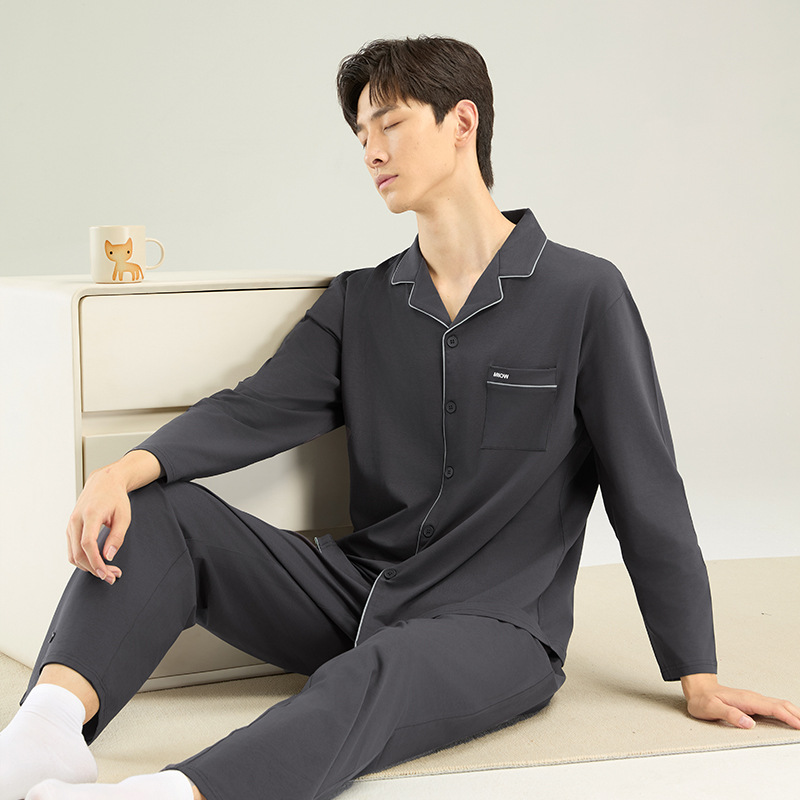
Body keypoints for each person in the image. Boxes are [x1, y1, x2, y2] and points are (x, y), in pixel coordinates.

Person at [1, 34, 798, 800]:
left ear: (462, 122)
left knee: (372, 676)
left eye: (389, 124)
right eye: (360, 135)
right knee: (155, 509)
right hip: (357, 593)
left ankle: (180, 792)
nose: (371, 152)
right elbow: (256, 409)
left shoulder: (584, 294)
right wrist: (120, 471)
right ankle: (46, 731)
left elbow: (645, 485)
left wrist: (695, 672)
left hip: (494, 627)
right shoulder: (361, 300)